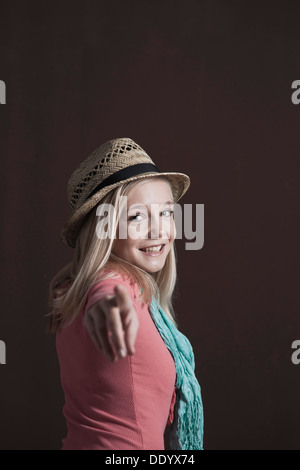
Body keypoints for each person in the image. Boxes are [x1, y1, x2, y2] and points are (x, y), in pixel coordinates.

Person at [48, 137, 204, 450]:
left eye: (165, 213)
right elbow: (106, 292)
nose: (159, 231)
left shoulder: (74, 288)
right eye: (136, 217)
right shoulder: (113, 282)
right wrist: (107, 304)